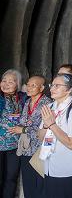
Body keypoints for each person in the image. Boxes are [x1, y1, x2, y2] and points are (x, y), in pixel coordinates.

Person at [37, 74, 72, 198]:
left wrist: (52, 124)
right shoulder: (50, 107)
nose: (52, 88)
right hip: (49, 165)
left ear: (69, 89)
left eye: (57, 86)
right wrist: (45, 126)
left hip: (68, 168)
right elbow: (40, 137)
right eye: (52, 85)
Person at [8, 76, 51, 198]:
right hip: (26, 149)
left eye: (33, 85)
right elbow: (23, 121)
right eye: (28, 84)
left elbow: (46, 130)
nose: (29, 87)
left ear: (42, 88)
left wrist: (23, 129)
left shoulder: (47, 104)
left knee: (40, 186)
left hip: (39, 151)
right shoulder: (27, 102)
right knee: (28, 185)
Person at [0, 69, 27, 198]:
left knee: (11, 178)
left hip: (15, 146)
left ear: (18, 84)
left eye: (11, 81)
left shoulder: (23, 98)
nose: (6, 84)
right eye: (4, 80)